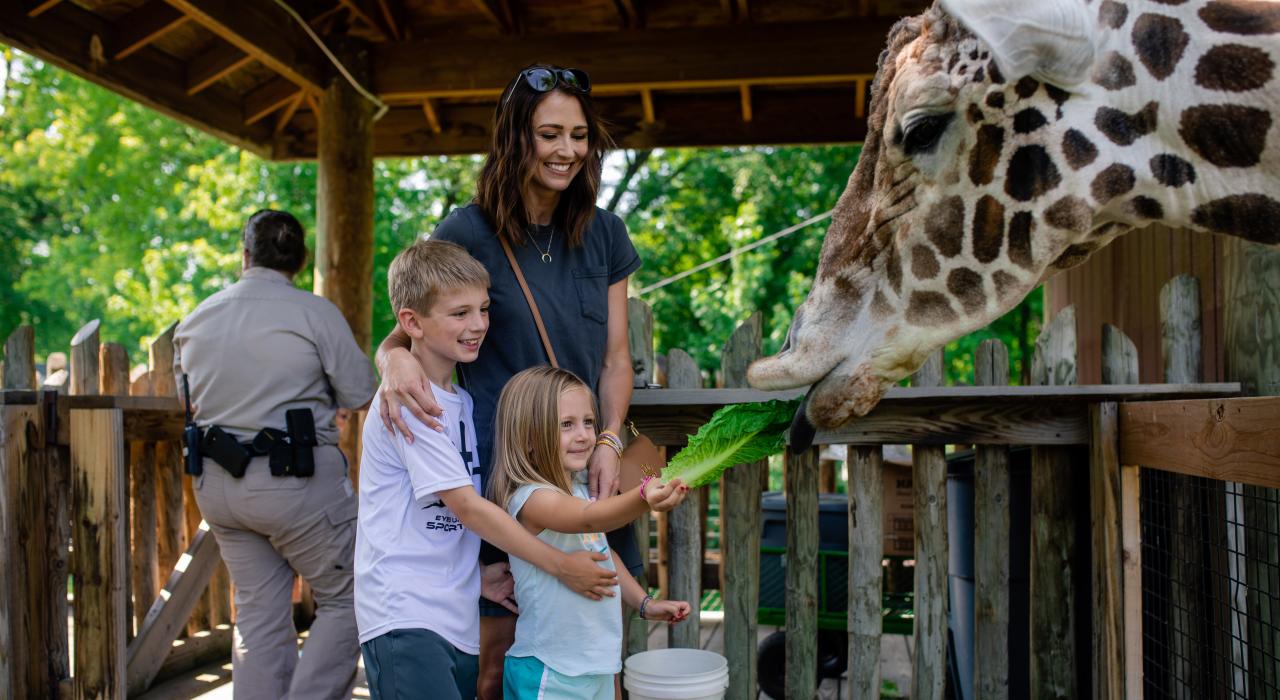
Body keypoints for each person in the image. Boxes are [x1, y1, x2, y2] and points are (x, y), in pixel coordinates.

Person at [375, 64, 645, 698]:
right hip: (508, 478)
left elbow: (616, 359)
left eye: (579, 135)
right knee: (497, 662)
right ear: (515, 137)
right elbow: (413, 326)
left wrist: (610, 440)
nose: (566, 150)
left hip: (585, 469)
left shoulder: (606, 232)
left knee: (594, 648)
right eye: (549, 134)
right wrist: (392, 359)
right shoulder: (467, 230)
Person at [357, 239, 677, 700]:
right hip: (405, 612)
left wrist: (476, 576)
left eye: (484, 309)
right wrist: (561, 565)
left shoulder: (461, 404)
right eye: (460, 313)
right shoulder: (412, 404)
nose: (478, 324)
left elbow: (433, 521)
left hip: (452, 612)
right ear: (412, 323)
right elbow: (467, 508)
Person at [174, 209, 377, 700]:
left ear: (245, 255)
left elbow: (188, 401)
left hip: (219, 487)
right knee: (354, 596)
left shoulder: (197, 318)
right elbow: (360, 391)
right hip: (296, 485)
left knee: (258, 612)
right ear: (300, 261)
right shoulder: (314, 313)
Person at [490, 366, 692, 699]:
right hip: (550, 670)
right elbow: (588, 520)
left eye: (588, 422)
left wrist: (644, 604)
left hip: (597, 666)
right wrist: (643, 496)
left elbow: (604, 557)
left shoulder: (581, 488)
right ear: (528, 438)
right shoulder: (530, 498)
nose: (584, 435)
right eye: (566, 425)